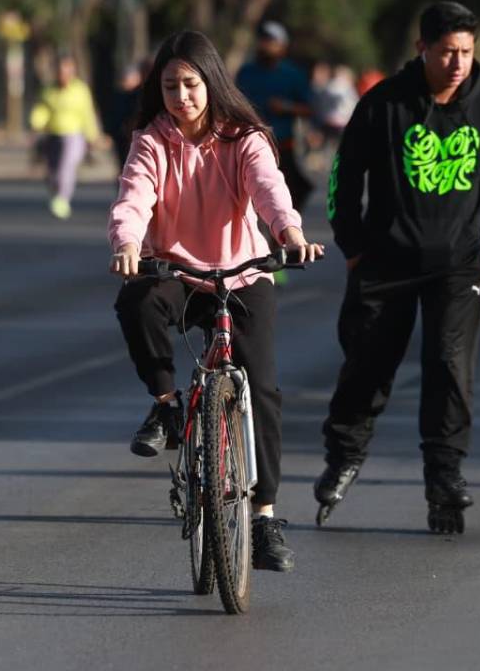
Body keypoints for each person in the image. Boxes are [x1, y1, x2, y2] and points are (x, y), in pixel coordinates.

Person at [109, 30, 324, 571]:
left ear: (212, 83)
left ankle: (267, 515)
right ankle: (165, 409)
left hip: (242, 272)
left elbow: (270, 190)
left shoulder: (245, 137)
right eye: (170, 86)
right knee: (135, 303)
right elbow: (134, 196)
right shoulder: (151, 139)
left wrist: (290, 235)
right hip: (177, 271)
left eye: (190, 84)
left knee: (264, 388)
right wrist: (128, 243)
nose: (181, 96)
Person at [317, 1, 480, 533]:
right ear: (422, 49)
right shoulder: (384, 104)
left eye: (465, 52)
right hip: (385, 260)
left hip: (459, 264)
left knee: (449, 367)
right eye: (446, 52)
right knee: (367, 363)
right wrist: (353, 244)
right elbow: (345, 176)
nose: (457, 63)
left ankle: (445, 477)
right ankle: (344, 455)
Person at [235, 21, 314, 212]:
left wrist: (286, 107)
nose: (265, 45)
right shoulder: (246, 72)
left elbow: (309, 109)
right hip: (249, 144)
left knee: (290, 194)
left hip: (282, 146)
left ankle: (281, 236)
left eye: (271, 41)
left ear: (282, 45)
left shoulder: (293, 74)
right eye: (262, 40)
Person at [30, 54, 102, 220]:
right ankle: (57, 194)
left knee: (66, 167)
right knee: (52, 172)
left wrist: (92, 135)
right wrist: (36, 122)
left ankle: (63, 199)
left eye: (67, 70)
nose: (63, 74)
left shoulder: (80, 90)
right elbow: (43, 109)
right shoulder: (49, 90)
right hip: (53, 134)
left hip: (74, 136)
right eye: (60, 70)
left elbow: (87, 114)